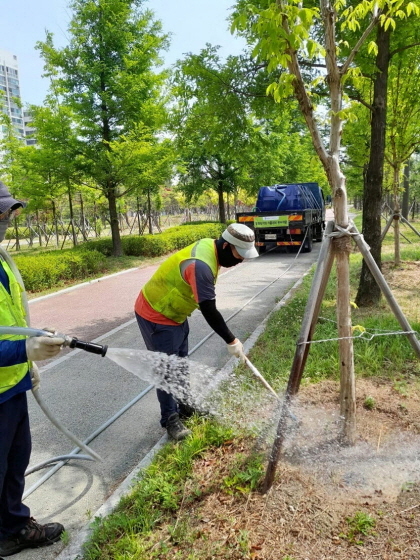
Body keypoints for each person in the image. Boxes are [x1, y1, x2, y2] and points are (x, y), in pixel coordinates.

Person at [134, 222, 259, 441]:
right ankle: (170, 419)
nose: (240, 261)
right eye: (239, 255)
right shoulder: (201, 265)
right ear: (225, 246)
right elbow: (209, 309)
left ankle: (185, 406)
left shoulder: (210, 247)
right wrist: (231, 340)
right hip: (156, 313)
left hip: (176, 313)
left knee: (180, 363)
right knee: (166, 369)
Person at [0, 182, 66, 558]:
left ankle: (13, 528)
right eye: (2, 212)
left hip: (12, 383)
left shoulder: (1, 259)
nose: (8, 219)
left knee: (15, 461)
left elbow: (11, 317)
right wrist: (24, 348)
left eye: (9, 211)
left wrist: (29, 351)